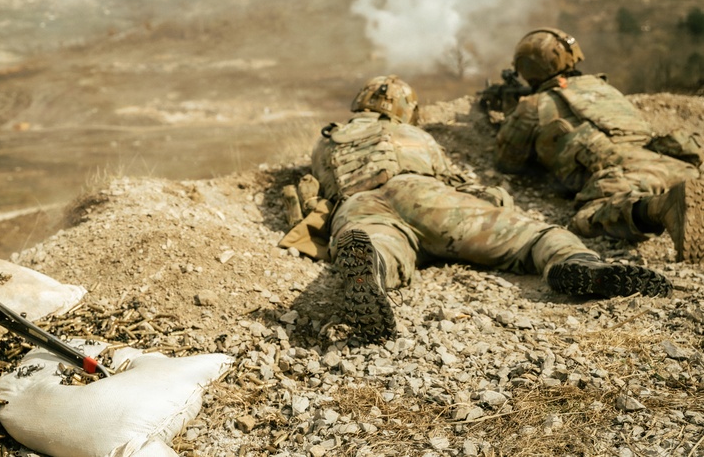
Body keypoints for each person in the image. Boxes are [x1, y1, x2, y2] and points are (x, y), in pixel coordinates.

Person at [279, 75, 672, 343]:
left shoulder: (327, 139)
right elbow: (454, 183)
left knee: (382, 246)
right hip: (421, 192)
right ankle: (576, 264)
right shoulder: (414, 134)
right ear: (406, 110)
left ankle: (371, 271)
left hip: (359, 204)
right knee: (534, 236)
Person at [496, 28, 703, 263]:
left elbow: (507, 161)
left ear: (527, 68)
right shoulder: (601, 86)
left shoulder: (533, 104)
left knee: (587, 218)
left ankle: (660, 207)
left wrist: (512, 115)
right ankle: (681, 197)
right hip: (672, 165)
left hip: (624, 176)